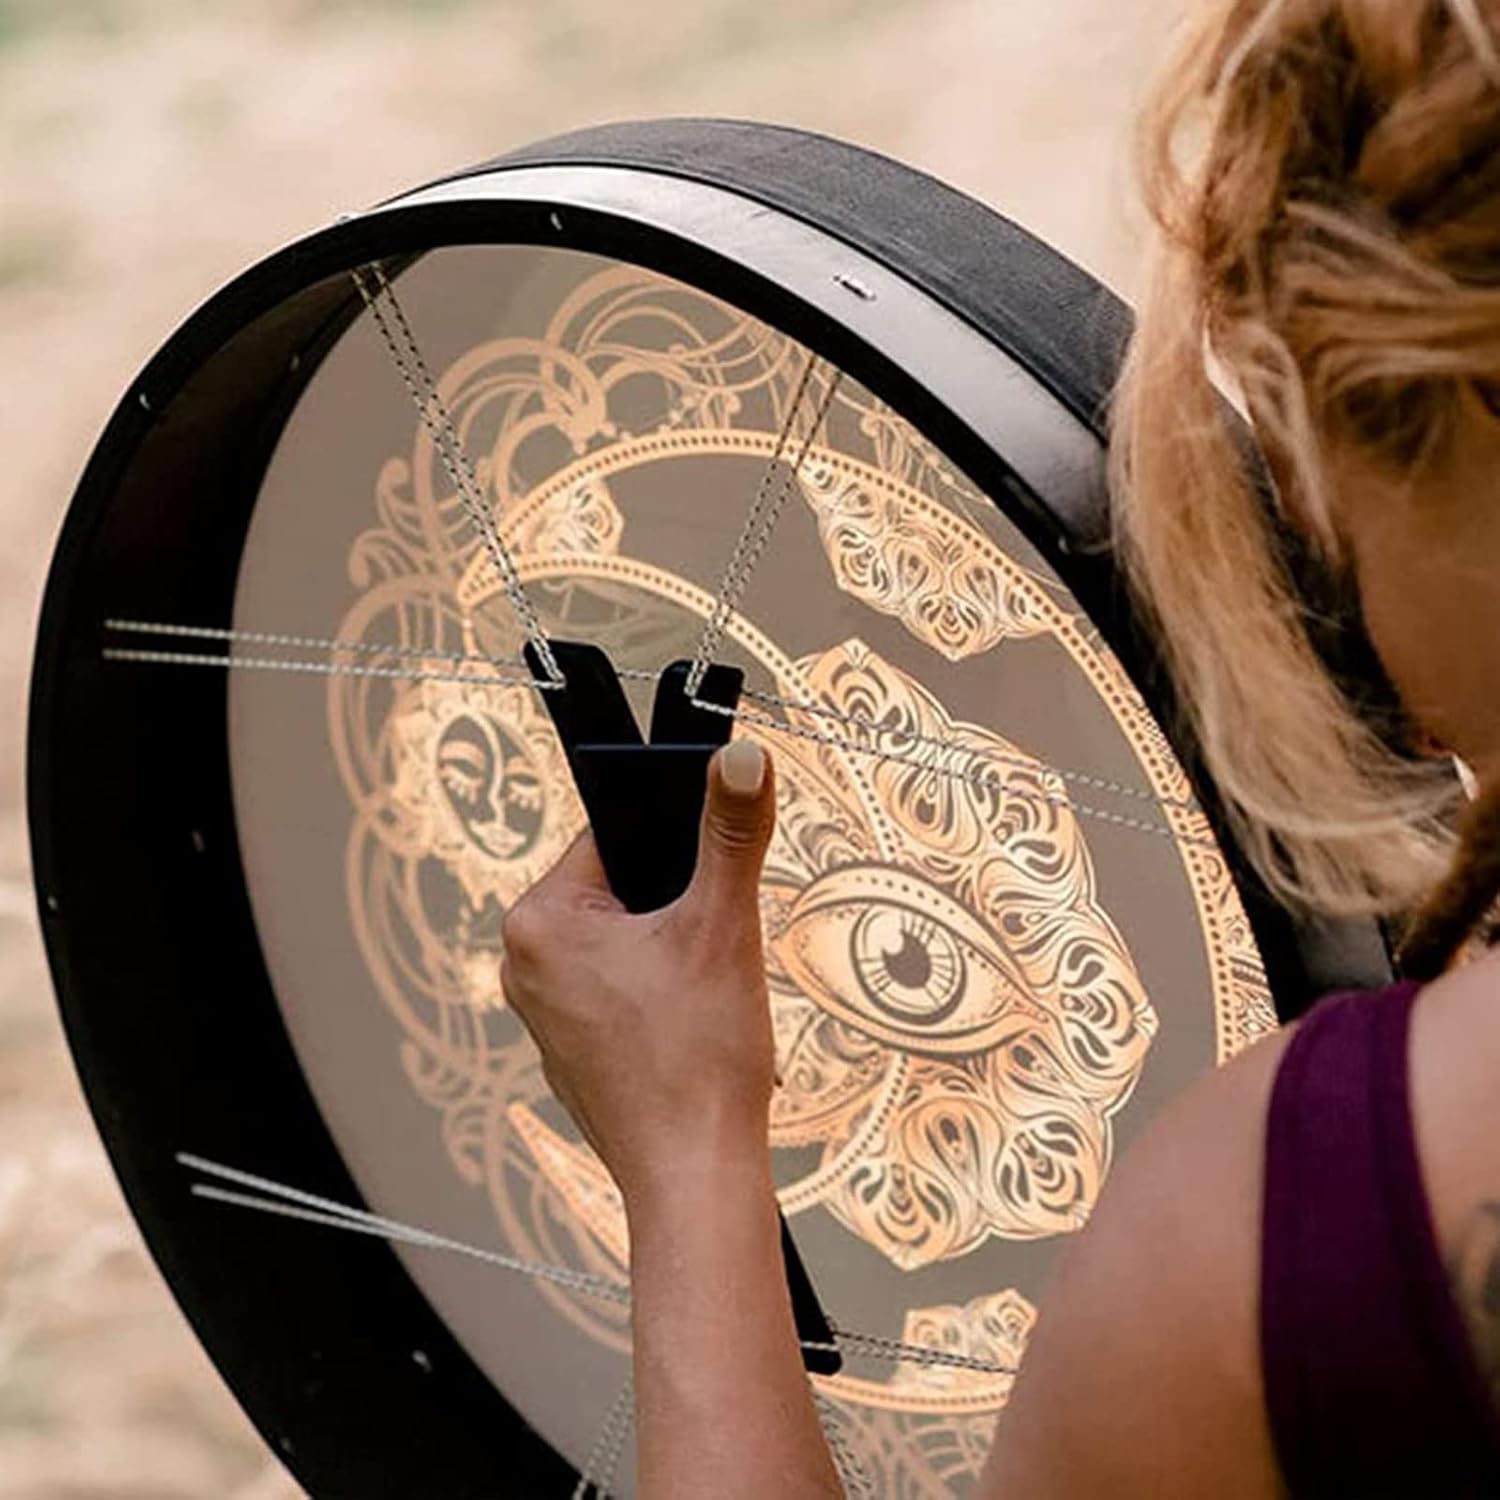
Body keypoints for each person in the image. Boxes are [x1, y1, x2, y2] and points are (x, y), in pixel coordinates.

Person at [499, 0, 1500, 1492]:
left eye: (1300, 450)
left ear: (1415, 406)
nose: (1302, 525)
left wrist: (690, 1147)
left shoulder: (1280, 1234)